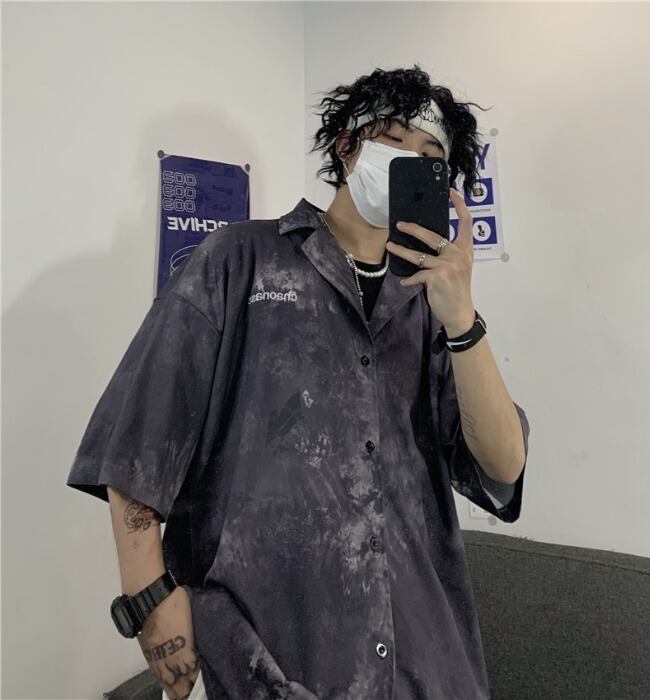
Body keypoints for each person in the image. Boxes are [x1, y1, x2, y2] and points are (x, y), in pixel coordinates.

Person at [67, 64, 530, 700]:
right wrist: (149, 600)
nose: (409, 160)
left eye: (429, 156)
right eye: (392, 138)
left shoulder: (431, 304)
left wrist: (462, 319)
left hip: (428, 665)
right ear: (347, 144)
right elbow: (140, 439)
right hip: (271, 660)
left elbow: (503, 466)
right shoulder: (239, 259)